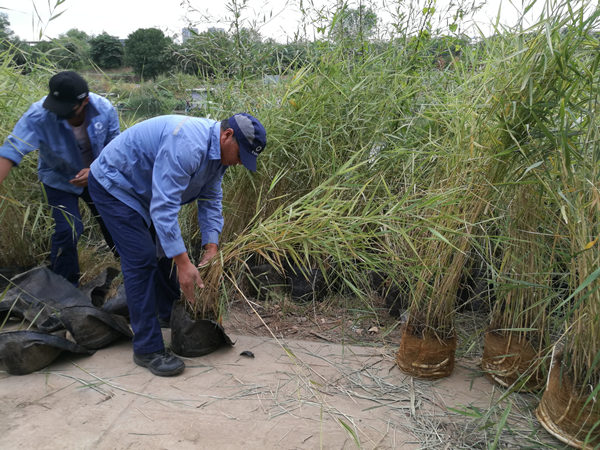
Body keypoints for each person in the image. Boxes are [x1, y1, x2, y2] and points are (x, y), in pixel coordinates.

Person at [87, 113, 267, 377]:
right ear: (227, 136)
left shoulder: (219, 157)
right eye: (241, 155)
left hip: (145, 191)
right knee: (141, 259)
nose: (240, 163)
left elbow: (211, 199)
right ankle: (147, 349)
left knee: (163, 252)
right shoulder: (187, 145)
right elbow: (164, 207)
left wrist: (211, 247)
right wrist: (183, 263)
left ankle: (163, 313)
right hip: (115, 185)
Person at [0, 71, 120, 285]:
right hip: (58, 179)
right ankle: (66, 288)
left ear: (85, 102)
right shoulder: (39, 114)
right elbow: (11, 151)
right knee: (68, 229)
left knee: (116, 223)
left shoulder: (104, 109)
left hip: (98, 177)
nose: (61, 114)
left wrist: (95, 171)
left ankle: (131, 273)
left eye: (68, 110)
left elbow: (117, 149)